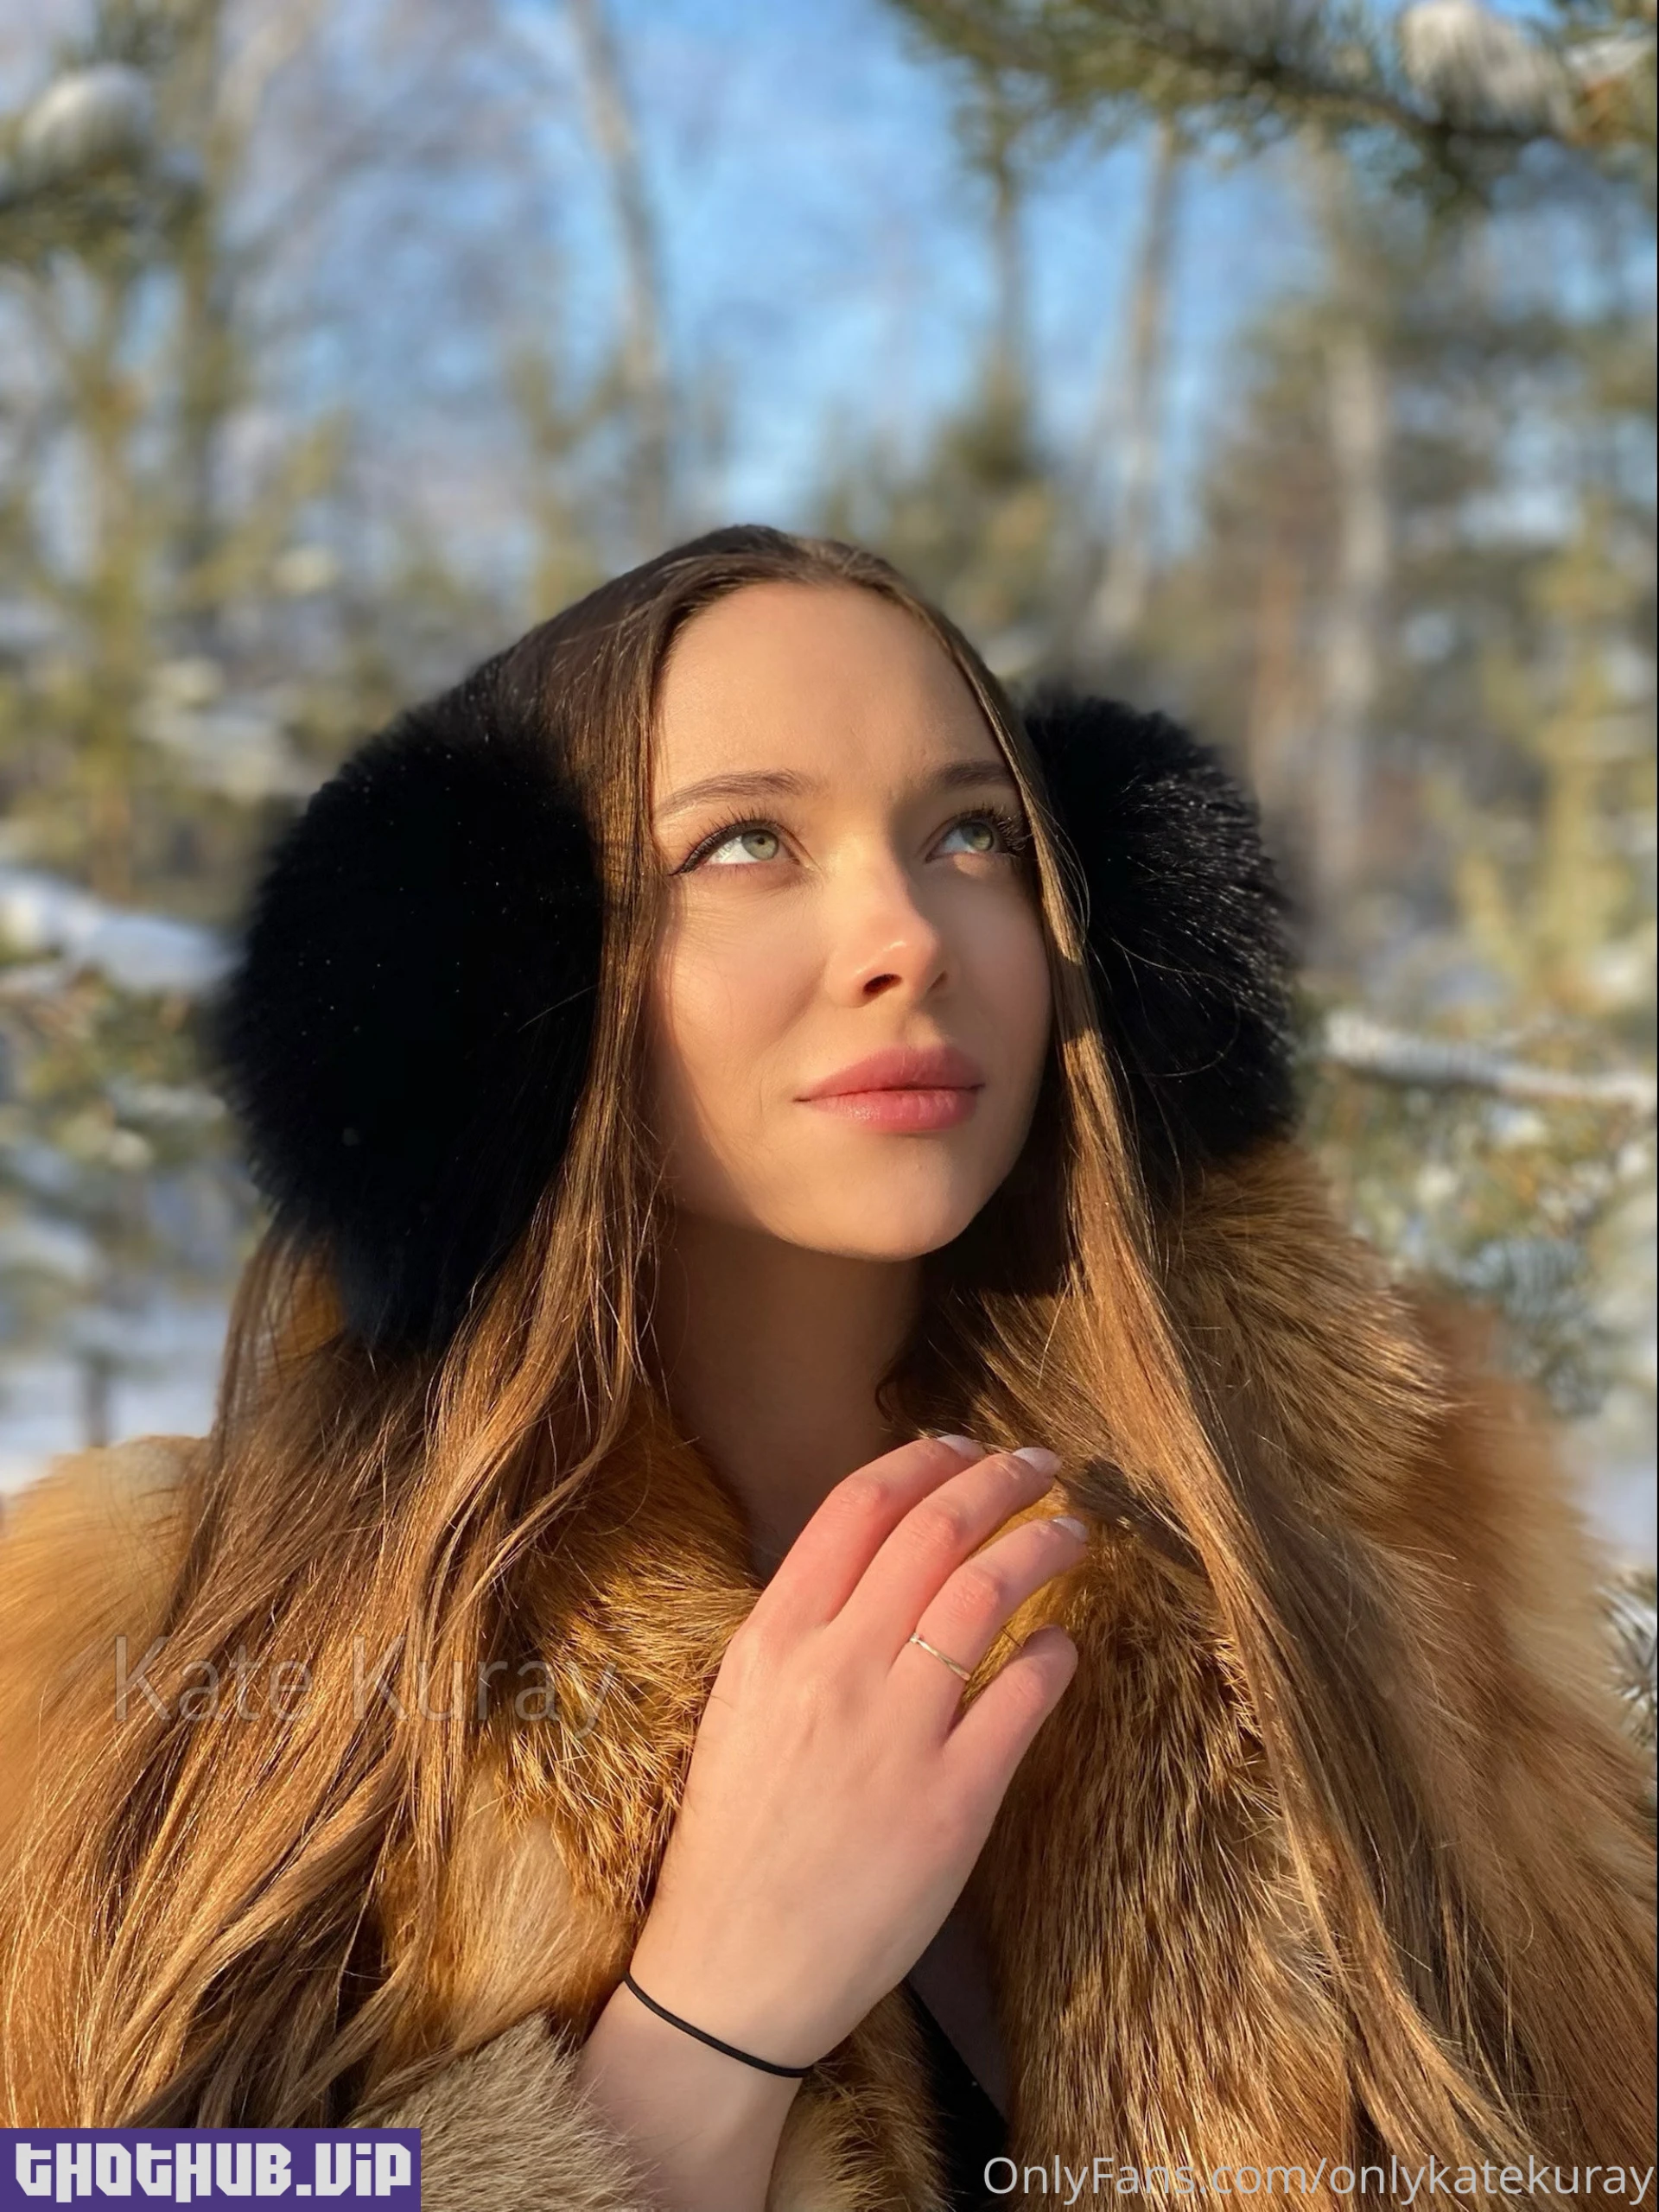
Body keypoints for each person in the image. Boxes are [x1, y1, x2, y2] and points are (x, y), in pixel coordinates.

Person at [0, 524, 1652, 2212]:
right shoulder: (151, 1644)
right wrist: (707, 2032)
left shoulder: (1378, 1562)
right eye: (744, 842)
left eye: (973, 834)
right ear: (499, 982)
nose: (908, 933)